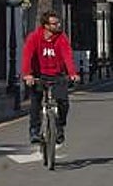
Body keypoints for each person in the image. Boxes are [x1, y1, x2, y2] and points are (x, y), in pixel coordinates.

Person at [21, 10, 79, 145]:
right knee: (35, 103)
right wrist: (28, 74)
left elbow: (67, 56)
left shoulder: (62, 38)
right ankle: (35, 131)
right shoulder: (34, 37)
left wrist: (72, 73)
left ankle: (59, 127)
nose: (58, 26)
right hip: (38, 75)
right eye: (54, 24)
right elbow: (27, 56)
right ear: (46, 25)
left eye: (58, 23)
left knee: (63, 102)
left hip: (57, 75)